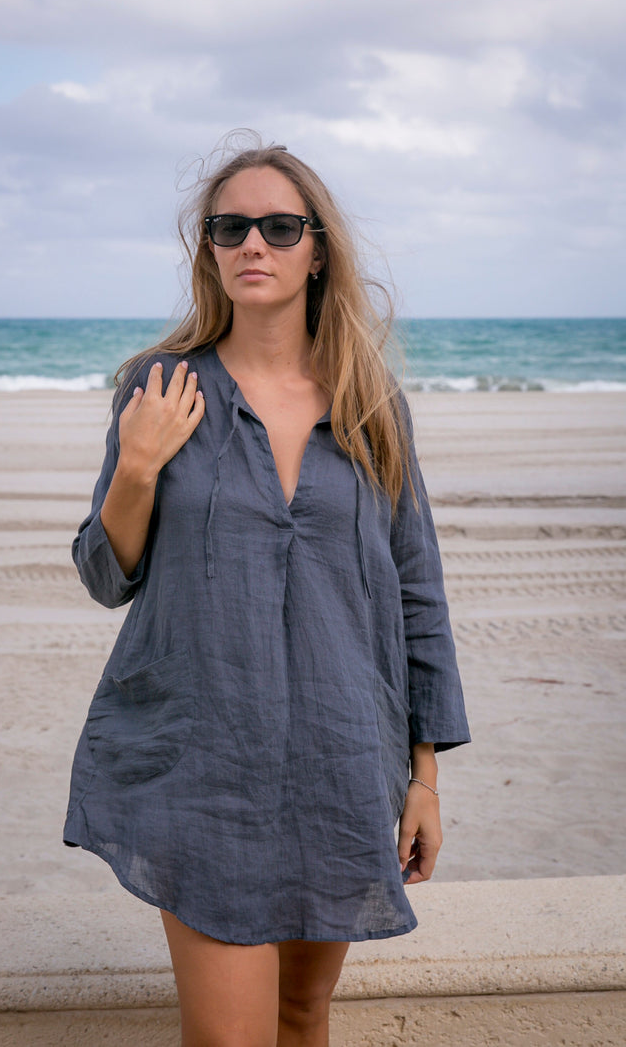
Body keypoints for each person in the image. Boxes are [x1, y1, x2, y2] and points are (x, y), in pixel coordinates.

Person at [64, 133, 470, 1047]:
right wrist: (137, 465)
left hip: (343, 762)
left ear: (318, 248)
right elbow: (105, 575)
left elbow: (418, 596)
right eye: (231, 226)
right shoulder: (161, 387)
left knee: (301, 1015)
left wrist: (425, 779)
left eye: (280, 227)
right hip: (204, 764)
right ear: (207, 247)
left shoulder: (371, 402)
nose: (255, 243)